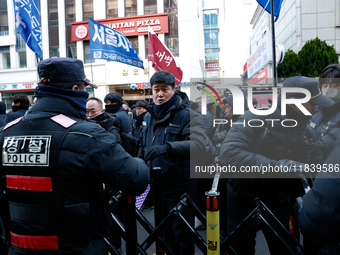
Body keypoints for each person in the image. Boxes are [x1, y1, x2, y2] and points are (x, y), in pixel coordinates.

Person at [0, 57, 149, 255]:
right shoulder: (86, 134)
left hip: (20, 247)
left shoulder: (6, 132)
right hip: (76, 247)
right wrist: (138, 159)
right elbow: (136, 178)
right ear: (76, 89)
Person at [219, 76, 334, 255]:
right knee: (240, 250)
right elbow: (228, 153)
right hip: (243, 198)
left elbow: (317, 166)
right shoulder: (255, 116)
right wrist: (277, 166)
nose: (316, 109)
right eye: (313, 103)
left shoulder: (306, 129)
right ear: (296, 103)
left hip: (279, 199)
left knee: (285, 249)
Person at [138, 71, 206, 255]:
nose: (160, 94)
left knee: (182, 234)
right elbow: (142, 146)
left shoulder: (187, 115)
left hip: (180, 185)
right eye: (156, 90)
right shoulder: (148, 116)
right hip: (156, 185)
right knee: (163, 233)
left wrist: (167, 148)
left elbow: (199, 145)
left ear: (173, 90)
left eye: (164, 89)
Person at [302, 64, 340, 165]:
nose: (328, 89)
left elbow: (327, 144)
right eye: (325, 85)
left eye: (334, 86)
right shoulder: (316, 111)